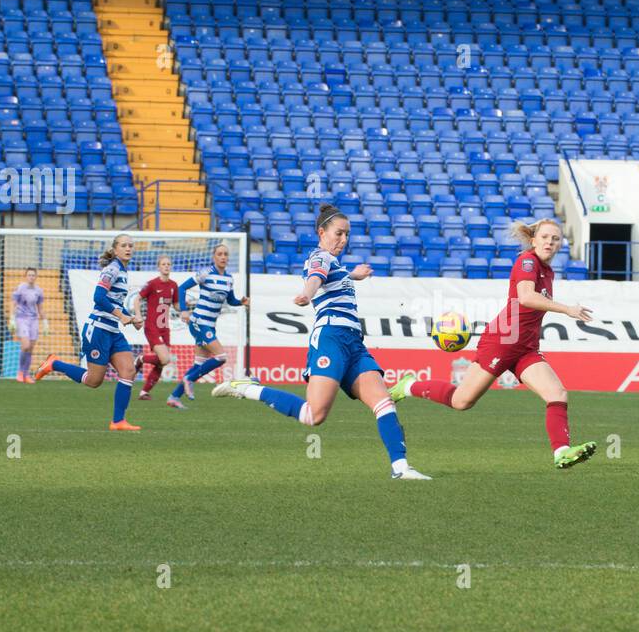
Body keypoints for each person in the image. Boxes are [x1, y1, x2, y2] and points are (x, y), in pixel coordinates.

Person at [213, 202, 432, 480]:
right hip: (331, 338)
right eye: (338, 233)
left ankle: (401, 468)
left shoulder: (335, 263)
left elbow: (332, 275)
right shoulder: (320, 257)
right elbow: (316, 276)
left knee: (383, 402)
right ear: (322, 232)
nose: (343, 239)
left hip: (354, 342)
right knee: (313, 416)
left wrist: (354, 274)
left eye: (347, 235)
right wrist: (306, 293)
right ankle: (247, 388)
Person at [388, 218, 598, 469]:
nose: (550, 242)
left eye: (555, 239)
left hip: (525, 348)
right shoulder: (527, 261)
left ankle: (562, 452)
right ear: (533, 240)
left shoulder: (547, 270)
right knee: (461, 401)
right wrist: (567, 310)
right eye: (545, 237)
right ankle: (409, 385)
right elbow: (526, 297)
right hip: (502, 341)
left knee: (557, 393)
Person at [33, 233, 142, 431]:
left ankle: (118, 421)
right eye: (124, 245)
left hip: (112, 331)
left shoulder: (124, 272)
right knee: (94, 381)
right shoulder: (112, 269)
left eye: (131, 246)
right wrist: (121, 315)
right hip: (98, 329)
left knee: (128, 371)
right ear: (115, 249)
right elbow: (98, 297)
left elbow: (115, 301)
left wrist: (130, 318)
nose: (128, 249)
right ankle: (54, 363)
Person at [168, 243, 246, 410]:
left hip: (210, 325)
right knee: (221, 356)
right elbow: (182, 287)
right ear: (214, 257)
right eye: (220, 254)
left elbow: (230, 300)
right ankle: (189, 379)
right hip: (199, 322)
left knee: (199, 364)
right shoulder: (205, 274)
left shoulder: (228, 279)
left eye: (226, 254)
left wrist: (241, 302)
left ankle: (174, 396)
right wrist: (183, 311)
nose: (223, 257)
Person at [133, 254, 178, 400]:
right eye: (163, 264)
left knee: (161, 363)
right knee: (165, 358)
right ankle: (140, 359)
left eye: (168, 264)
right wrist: (138, 315)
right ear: (159, 267)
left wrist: (188, 310)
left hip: (165, 329)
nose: (166, 266)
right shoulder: (152, 284)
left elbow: (177, 306)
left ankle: (144, 392)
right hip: (152, 327)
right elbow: (137, 298)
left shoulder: (173, 286)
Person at [9, 268, 46, 383]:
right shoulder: (20, 288)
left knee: (30, 348)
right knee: (25, 345)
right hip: (21, 318)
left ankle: (26, 374)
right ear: (25, 276)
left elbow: (40, 307)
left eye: (33, 275)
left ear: (36, 277)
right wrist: (12, 318)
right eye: (29, 275)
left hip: (33, 320)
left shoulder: (38, 291)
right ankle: (20, 372)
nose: (31, 277)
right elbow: (13, 303)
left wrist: (45, 321)